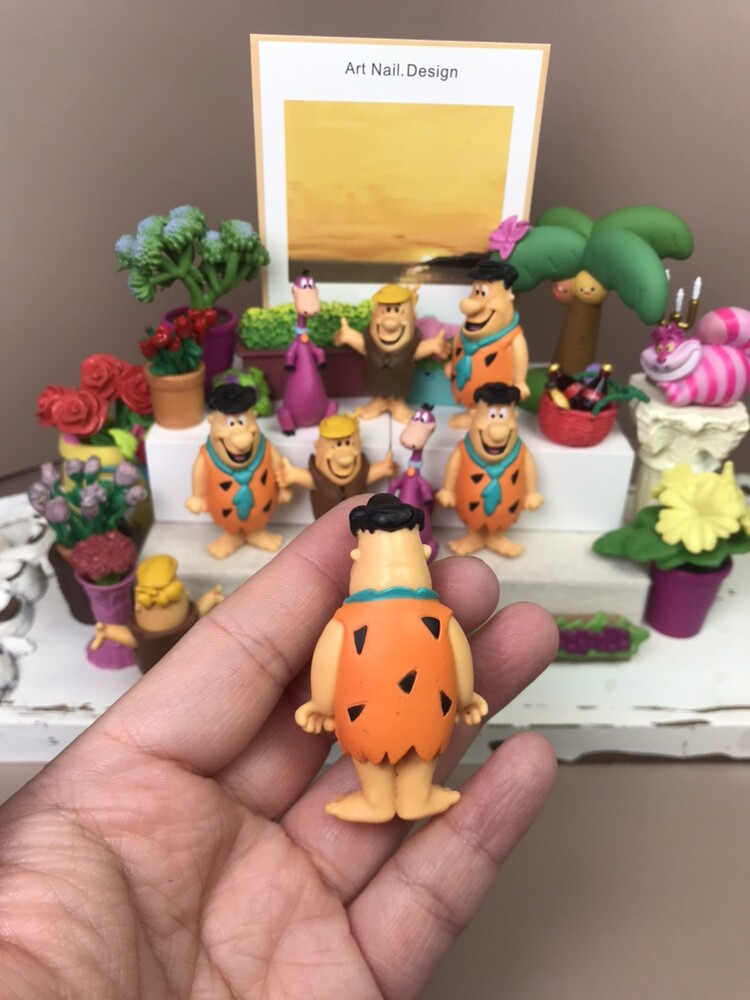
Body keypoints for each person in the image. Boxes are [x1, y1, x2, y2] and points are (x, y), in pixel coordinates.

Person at [0, 497, 558, 998]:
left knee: (415, 745)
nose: (389, 560)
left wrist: (463, 696)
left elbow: (453, 654)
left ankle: (412, 794)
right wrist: (324, 703)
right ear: (360, 559)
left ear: (420, 553)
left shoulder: (423, 617)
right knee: (377, 748)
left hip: (423, 708)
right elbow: (336, 660)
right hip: (371, 712)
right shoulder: (364, 619)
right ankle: (392, 795)